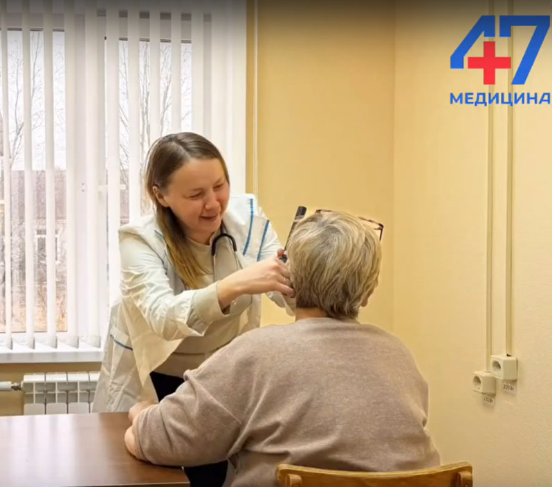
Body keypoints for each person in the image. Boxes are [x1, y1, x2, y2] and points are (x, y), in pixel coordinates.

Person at [123, 210, 441, 487]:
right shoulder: (398, 355)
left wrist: (141, 414)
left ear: (288, 280)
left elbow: (158, 441)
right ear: (368, 292)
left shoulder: (255, 354)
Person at [92, 132, 296, 486]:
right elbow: (164, 317)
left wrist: (308, 273)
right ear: (161, 195)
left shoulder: (247, 219)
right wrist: (237, 283)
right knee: (147, 479)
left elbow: (287, 292)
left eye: (219, 186)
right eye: (195, 194)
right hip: (157, 377)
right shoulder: (140, 240)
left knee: (213, 477)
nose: (213, 204)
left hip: (219, 380)